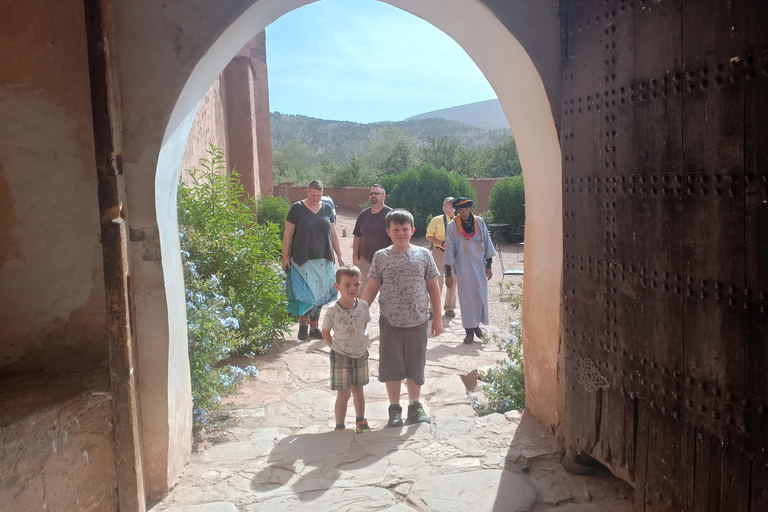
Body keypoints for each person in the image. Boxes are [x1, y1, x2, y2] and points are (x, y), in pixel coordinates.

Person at [362, 209, 443, 427]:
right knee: (392, 366)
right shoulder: (381, 257)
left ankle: (415, 406)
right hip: (390, 322)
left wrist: (437, 318)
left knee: (415, 365)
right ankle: (394, 408)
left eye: (405, 229)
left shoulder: (423, 255)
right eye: (396, 229)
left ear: (412, 230)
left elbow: (433, 286)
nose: (401, 233)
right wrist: (360, 313)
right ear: (388, 231)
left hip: (418, 321)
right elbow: (371, 286)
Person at [281, 180, 345, 340]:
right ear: (307, 192)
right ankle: (303, 326)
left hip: (324, 257)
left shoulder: (328, 209)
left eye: (319, 195)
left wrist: (340, 255)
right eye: (313, 195)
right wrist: (285, 257)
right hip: (303, 258)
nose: (316, 198)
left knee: (321, 293)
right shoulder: (297, 208)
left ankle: (314, 328)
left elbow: (333, 234)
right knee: (306, 293)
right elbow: (288, 233)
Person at [321, 265, 372, 433]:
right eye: (347, 285)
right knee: (344, 393)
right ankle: (340, 425)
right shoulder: (332, 310)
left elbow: (363, 324)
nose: (352, 289)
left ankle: (360, 422)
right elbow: (326, 332)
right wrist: (334, 348)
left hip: (359, 355)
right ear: (338, 286)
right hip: (340, 355)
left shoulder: (363, 306)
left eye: (356, 285)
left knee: (359, 390)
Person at [444, 197, 496, 344]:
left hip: (479, 265)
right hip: (463, 266)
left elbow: (487, 242)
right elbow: (449, 250)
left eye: (466, 209)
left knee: (480, 295)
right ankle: (469, 330)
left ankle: (477, 326)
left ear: (470, 209)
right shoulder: (452, 226)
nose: (464, 212)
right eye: (461, 210)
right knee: (466, 298)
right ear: (458, 211)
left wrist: (489, 265)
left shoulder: (479, 222)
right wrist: (448, 274)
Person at [352, 184, 392, 294]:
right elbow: (357, 236)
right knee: (360, 293)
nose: (373, 195)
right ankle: (362, 312)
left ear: (384, 196)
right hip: (364, 260)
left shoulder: (390, 215)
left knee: (387, 294)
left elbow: (395, 239)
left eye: (376, 193)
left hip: (384, 262)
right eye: (371, 193)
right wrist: (355, 256)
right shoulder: (363, 215)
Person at [425, 197, 458, 319]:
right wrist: (441, 243)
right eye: (449, 203)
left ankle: (449, 308)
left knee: (453, 280)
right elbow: (429, 236)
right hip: (439, 252)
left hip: (455, 253)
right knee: (436, 280)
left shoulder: (459, 220)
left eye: (454, 203)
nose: (452, 205)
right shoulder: (436, 220)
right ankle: (433, 309)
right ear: (444, 206)